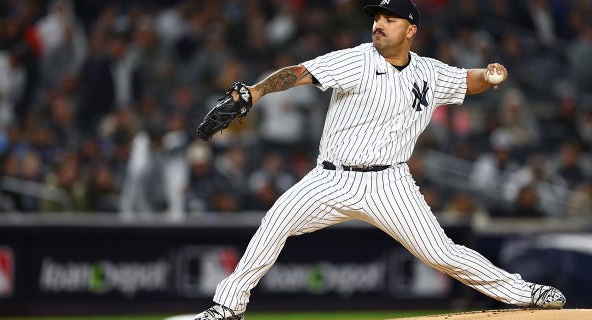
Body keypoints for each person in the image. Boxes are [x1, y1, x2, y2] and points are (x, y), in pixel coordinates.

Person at [193, 1, 566, 319]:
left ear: (411, 30)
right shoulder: (356, 60)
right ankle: (228, 307)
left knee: (441, 253)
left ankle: (524, 293)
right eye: (377, 18)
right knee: (275, 221)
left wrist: (488, 74)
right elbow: (301, 73)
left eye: (390, 19)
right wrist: (256, 92)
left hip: (390, 184)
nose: (379, 24)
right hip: (331, 179)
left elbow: (467, 81)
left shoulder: (428, 72)